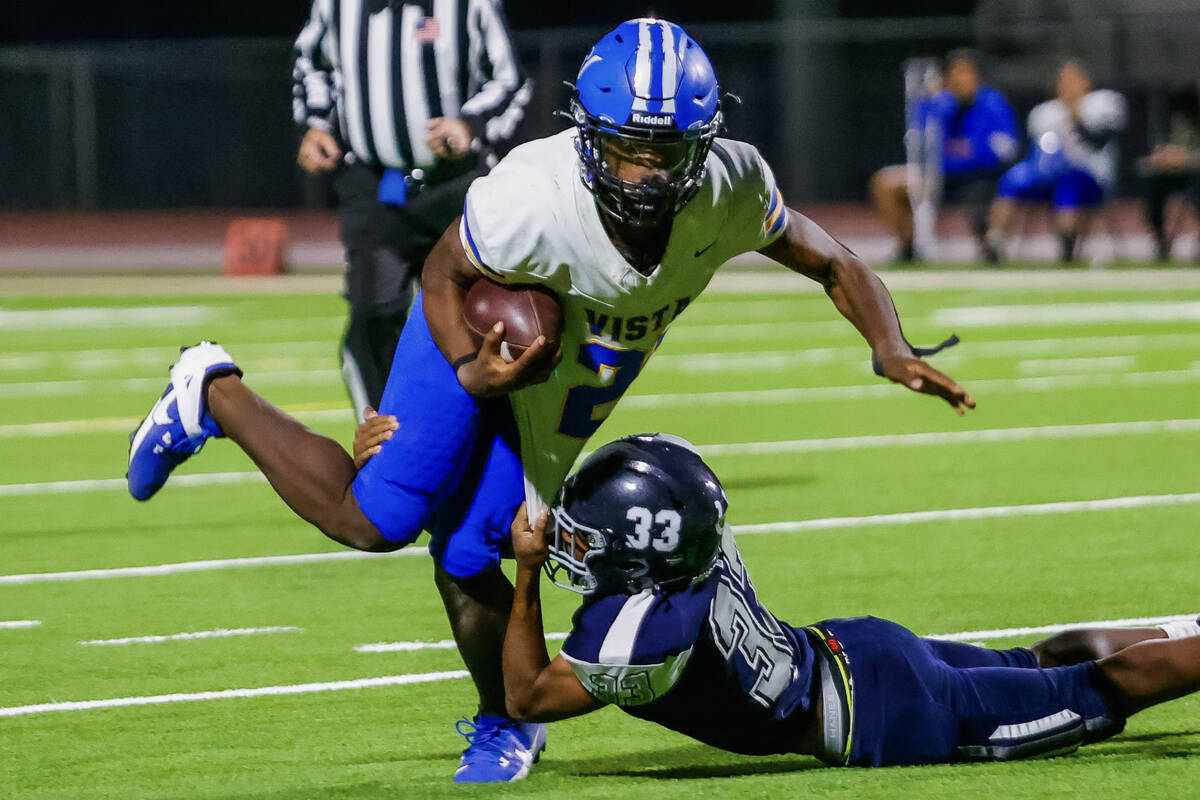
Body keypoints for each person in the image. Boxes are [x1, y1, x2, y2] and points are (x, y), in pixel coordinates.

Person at [127, 18, 973, 783]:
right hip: (482, 341)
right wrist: (469, 371)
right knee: (374, 520)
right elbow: (443, 273)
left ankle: (504, 725)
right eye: (626, 150)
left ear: (704, 145)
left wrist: (888, 344)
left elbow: (834, 260)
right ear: (588, 136)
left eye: (666, 152)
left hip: (563, 385)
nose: (645, 174)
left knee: (469, 552)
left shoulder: (730, 187)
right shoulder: (533, 195)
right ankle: (214, 389)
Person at [501, 433, 1200, 768]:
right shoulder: (697, 540)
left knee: (1087, 690)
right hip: (854, 650)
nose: (571, 549)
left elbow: (529, 696)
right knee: (1038, 661)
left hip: (880, 713)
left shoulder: (639, 638)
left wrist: (528, 579)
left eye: (586, 541)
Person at [293, 0, 530, 418]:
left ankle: (485, 431)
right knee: (375, 310)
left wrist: (469, 125)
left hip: (454, 185)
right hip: (374, 183)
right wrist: (316, 123)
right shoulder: (336, 6)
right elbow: (312, 64)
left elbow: (509, 79)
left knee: (477, 314)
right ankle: (386, 433)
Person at [870, 49, 1019, 263]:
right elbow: (917, 140)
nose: (961, 80)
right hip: (938, 175)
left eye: (966, 73)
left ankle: (990, 247)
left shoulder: (993, 104)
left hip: (979, 176)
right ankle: (909, 247)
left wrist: (972, 154)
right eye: (956, 74)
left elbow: (1007, 149)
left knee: (994, 191)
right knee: (885, 182)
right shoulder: (939, 103)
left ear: (976, 76)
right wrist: (931, 104)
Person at [984, 60, 1126, 263]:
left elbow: (1101, 140)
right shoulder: (1044, 113)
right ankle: (995, 242)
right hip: (1047, 177)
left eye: (1073, 80)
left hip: (1092, 178)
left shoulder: (1103, 103)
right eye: (1063, 81)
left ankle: (1067, 246)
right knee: (1012, 179)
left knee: (1068, 182)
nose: (1068, 86)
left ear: (1086, 82)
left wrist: (1075, 116)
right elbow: (1038, 154)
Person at [1137, 87, 1200, 262]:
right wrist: (1162, 158)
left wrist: (1187, 158)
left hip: (1195, 175)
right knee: (1153, 188)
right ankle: (1160, 241)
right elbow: (1152, 156)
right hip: (1170, 175)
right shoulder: (1164, 123)